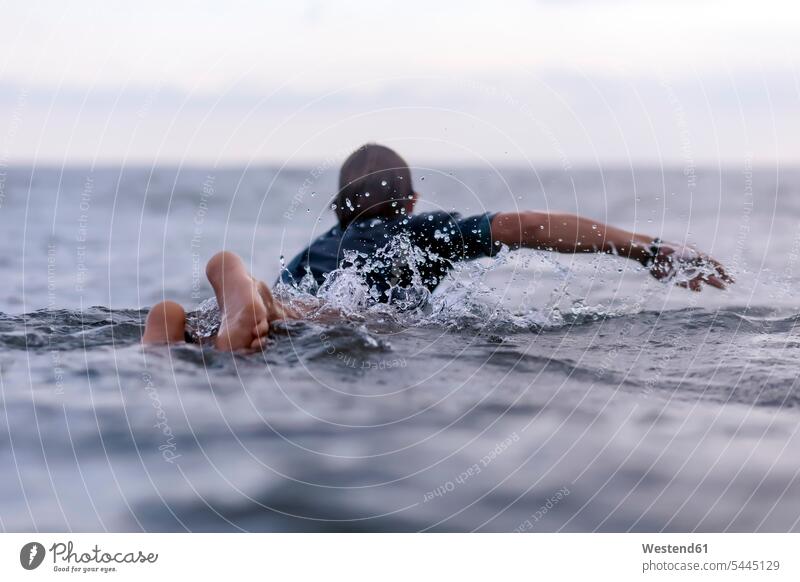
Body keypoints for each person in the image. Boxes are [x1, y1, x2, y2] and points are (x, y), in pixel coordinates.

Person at [143, 143, 732, 351]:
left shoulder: (318, 250)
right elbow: (526, 226)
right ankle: (256, 300)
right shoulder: (421, 233)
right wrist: (646, 249)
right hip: (327, 317)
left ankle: (204, 317)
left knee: (275, 315)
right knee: (313, 315)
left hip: (294, 299)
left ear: (341, 208)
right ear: (411, 199)